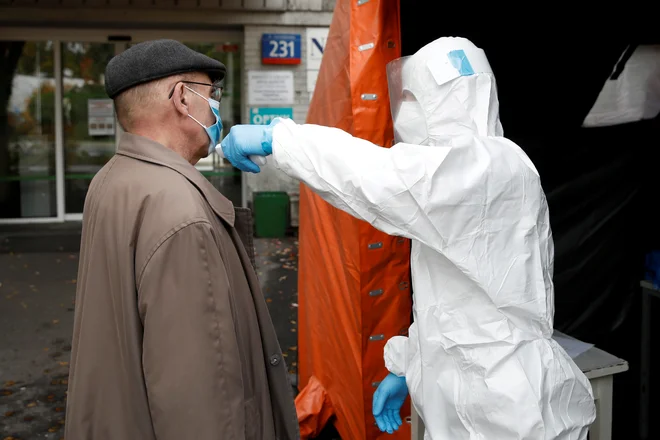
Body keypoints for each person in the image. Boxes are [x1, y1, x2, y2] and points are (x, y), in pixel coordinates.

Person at [219, 37, 597, 439]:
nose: (405, 111)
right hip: (464, 395)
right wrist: (408, 363)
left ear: (450, 98)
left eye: (414, 99)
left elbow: (377, 180)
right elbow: (452, 299)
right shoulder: (454, 179)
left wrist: (280, 140)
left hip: (512, 407)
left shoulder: (492, 168)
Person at [65, 39, 299, 440]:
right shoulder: (181, 210)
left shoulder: (111, 178)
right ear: (182, 99)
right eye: (212, 95)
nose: (216, 108)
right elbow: (203, 399)